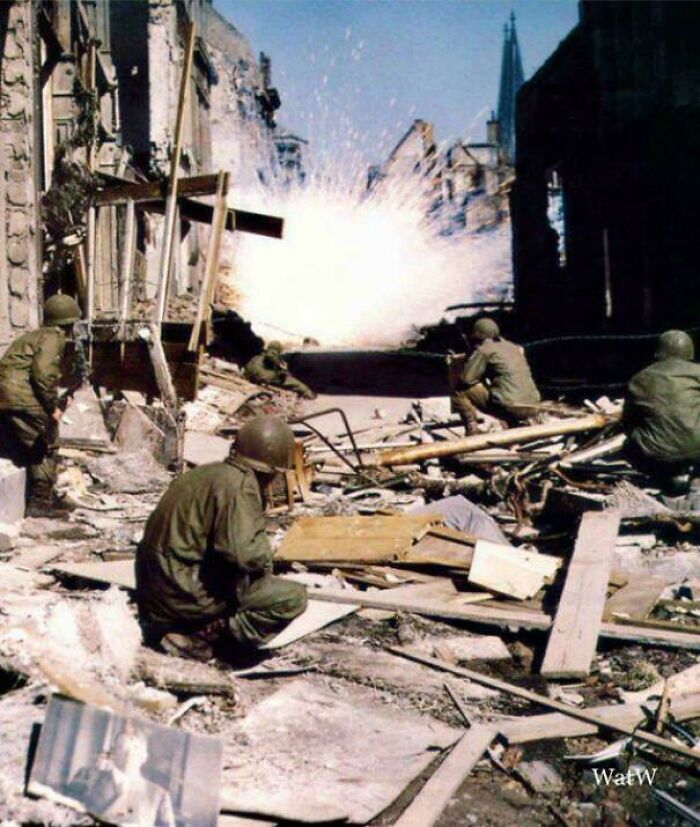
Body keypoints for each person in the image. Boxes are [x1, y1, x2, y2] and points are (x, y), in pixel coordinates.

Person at [136, 415, 308, 662]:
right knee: (291, 597)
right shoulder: (240, 486)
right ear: (272, 469)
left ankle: (177, 628)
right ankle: (204, 638)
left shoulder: (204, 474)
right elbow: (244, 554)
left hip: (154, 592)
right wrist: (266, 555)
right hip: (182, 595)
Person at [0, 294, 81, 512]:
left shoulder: (33, 337)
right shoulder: (55, 337)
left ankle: (28, 496)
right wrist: (52, 407)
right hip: (22, 396)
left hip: (6, 397)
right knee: (47, 440)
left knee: (22, 445)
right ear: (69, 322)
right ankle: (41, 502)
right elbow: (43, 374)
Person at [623, 330, 700, 494]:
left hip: (656, 453)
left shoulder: (639, 378)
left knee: (629, 445)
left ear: (658, 352)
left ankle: (662, 478)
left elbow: (628, 421)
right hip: (696, 448)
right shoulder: (697, 372)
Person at [67, 729, 175, 827]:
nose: (129, 754)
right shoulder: (88, 777)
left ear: (145, 756)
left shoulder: (158, 794)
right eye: (122, 747)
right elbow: (65, 816)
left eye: (136, 748)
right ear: (112, 752)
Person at [450, 317, 540, 434]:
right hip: (533, 406)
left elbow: (467, 379)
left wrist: (470, 359)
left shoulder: (485, 349)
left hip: (511, 408)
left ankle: (472, 430)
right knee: (506, 390)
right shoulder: (513, 347)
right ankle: (516, 423)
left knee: (459, 390)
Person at [244, 341, 316, 399]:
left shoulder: (258, 356)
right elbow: (274, 361)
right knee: (289, 380)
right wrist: (283, 371)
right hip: (263, 377)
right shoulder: (274, 355)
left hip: (250, 375)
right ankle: (308, 393)